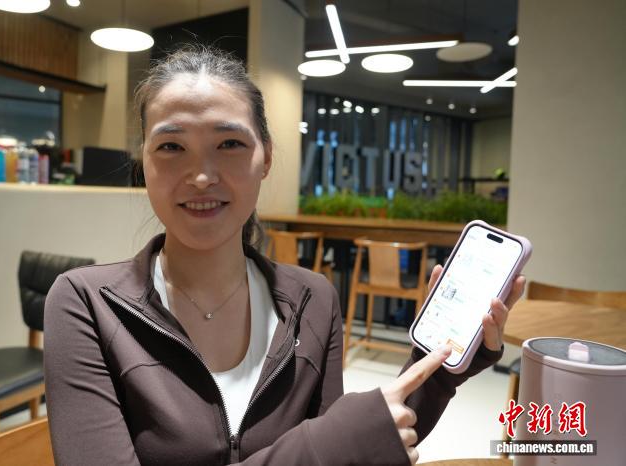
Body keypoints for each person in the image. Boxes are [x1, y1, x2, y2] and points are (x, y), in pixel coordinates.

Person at [44, 45, 525, 466]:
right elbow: (333, 448)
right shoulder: (86, 303)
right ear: (144, 164)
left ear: (266, 157)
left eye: (229, 143)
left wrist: (442, 367)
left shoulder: (313, 298)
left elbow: (354, 451)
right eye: (171, 146)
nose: (202, 176)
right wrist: (326, 446)